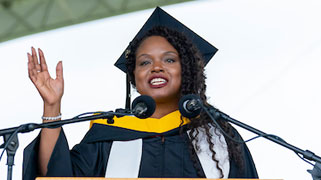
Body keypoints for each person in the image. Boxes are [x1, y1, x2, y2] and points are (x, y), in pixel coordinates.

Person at [23, 7, 258, 179]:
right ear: (134, 75)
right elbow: (57, 176)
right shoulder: (109, 133)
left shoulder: (218, 136)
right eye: (145, 62)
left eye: (169, 59)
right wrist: (51, 106)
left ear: (186, 69)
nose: (156, 67)